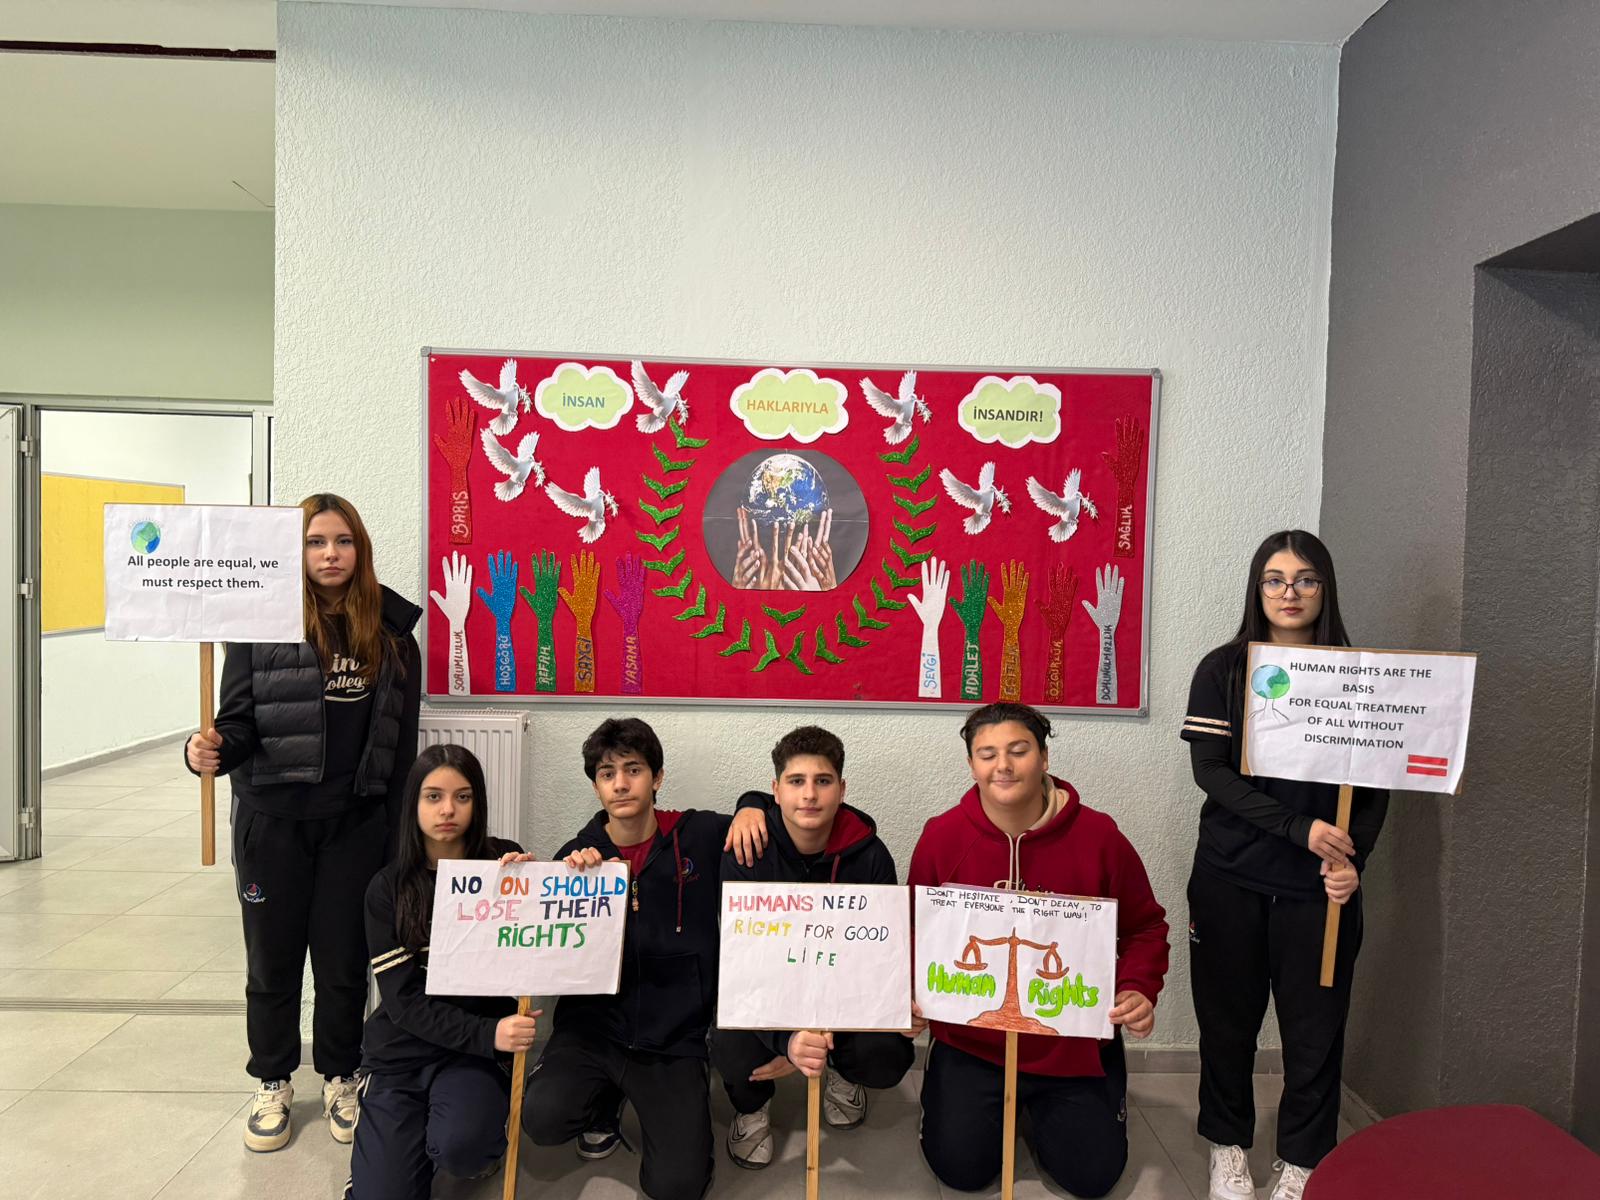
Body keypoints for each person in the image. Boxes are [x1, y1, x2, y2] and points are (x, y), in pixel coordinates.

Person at [183, 493, 421, 1152]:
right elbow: (235, 727)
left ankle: (342, 1075)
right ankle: (273, 1079)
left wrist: (401, 840)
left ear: (360, 550)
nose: (330, 554)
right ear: (297, 551)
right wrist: (205, 752)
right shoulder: (259, 624)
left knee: (345, 961)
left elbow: (402, 750)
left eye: (343, 541)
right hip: (273, 823)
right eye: (316, 542)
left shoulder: (394, 634)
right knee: (273, 961)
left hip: (355, 824)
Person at [1181, 529, 1388, 1200]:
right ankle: (1228, 1147)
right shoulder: (1223, 669)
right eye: (1274, 579)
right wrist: (1301, 829)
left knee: (1314, 1034)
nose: (1289, 592)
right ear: (1257, 588)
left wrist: (1355, 862)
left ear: (1325, 589)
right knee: (1227, 1024)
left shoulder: (1361, 677)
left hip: (1320, 889)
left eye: (1305, 579)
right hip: (1230, 879)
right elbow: (1211, 771)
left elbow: (1374, 789)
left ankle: (1302, 1159)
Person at [908, 702, 1169, 1199]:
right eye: (987, 754)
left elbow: (1145, 927)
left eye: (1018, 750)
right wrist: (911, 995)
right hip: (972, 1044)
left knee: (1092, 1179)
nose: (1003, 765)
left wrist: (1138, 987)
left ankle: (1076, 1095)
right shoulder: (942, 836)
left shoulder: (1099, 836)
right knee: (960, 1171)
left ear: (1044, 758)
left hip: (1070, 1043)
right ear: (971, 765)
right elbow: (915, 929)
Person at [516, 717, 768, 1200]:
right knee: (543, 1119)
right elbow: (543, 945)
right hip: (593, 1030)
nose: (621, 783)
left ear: (657, 777)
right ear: (595, 786)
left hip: (674, 1038)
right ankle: (602, 1102)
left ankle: (663, 1097)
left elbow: (779, 815)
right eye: (607, 773)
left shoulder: (699, 835)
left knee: (678, 1186)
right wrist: (521, 880)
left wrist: (751, 804)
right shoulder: (576, 856)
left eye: (633, 769)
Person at [714, 725, 913, 1169]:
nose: (809, 794)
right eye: (796, 781)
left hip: (843, 993)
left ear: (842, 788)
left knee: (886, 1053)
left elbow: (876, 962)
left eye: (823, 781)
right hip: (769, 990)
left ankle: (840, 1070)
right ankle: (752, 1106)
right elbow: (742, 965)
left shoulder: (872, 855)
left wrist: (826, 1034)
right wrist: (785, 1041)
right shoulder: (746, 849)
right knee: (728, 1041)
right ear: (775, 790)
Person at [343, 744, 537, 1198]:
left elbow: (541, 944)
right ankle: (391, 1146)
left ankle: (461, 1137)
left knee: (464, 1148)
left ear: (477, 802)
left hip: (472, 1056)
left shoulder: (504, 863)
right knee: (382, 1193)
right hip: (401, 1054)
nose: (448, 810)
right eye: (433, 797)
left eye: (462, 797)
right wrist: (489, 1033)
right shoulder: (386, 889)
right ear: (413, 803)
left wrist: (533, 890)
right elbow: (404, 1003)